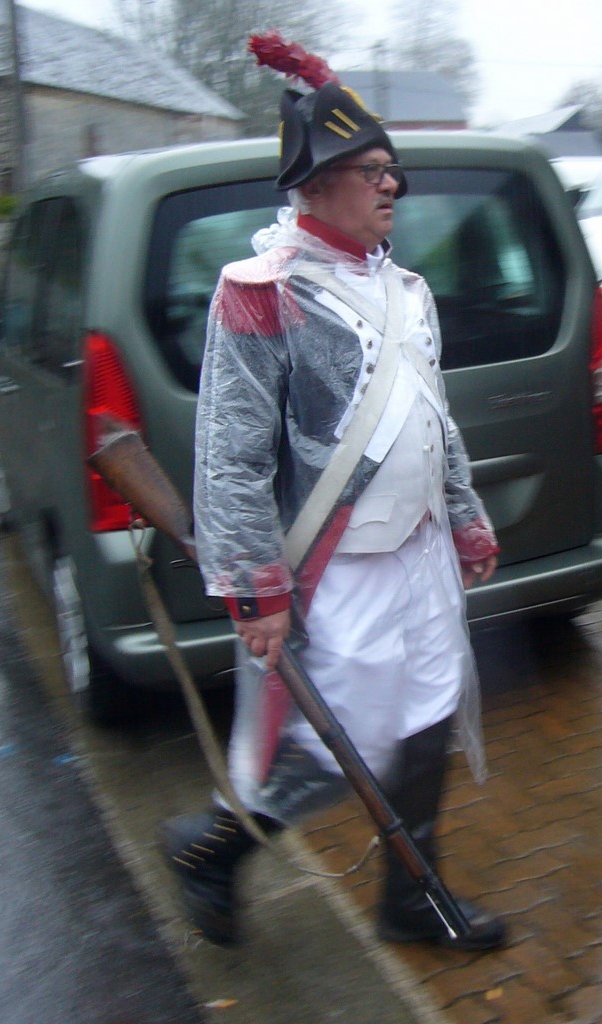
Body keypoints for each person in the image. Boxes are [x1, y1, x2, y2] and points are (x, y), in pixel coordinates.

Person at [161, 43, 507, 953]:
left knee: (428, 709)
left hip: (419, 554)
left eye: (392, 169)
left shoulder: (407, 290)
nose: (392, 185)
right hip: (338, 567)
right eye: (371, 169)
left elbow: (432, 416)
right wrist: (256, 587)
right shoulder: (258, 294)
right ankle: (211, 849)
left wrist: (463, 514)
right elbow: (229, 456)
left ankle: (411, 898)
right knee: (341, 737)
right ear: (315, 184)